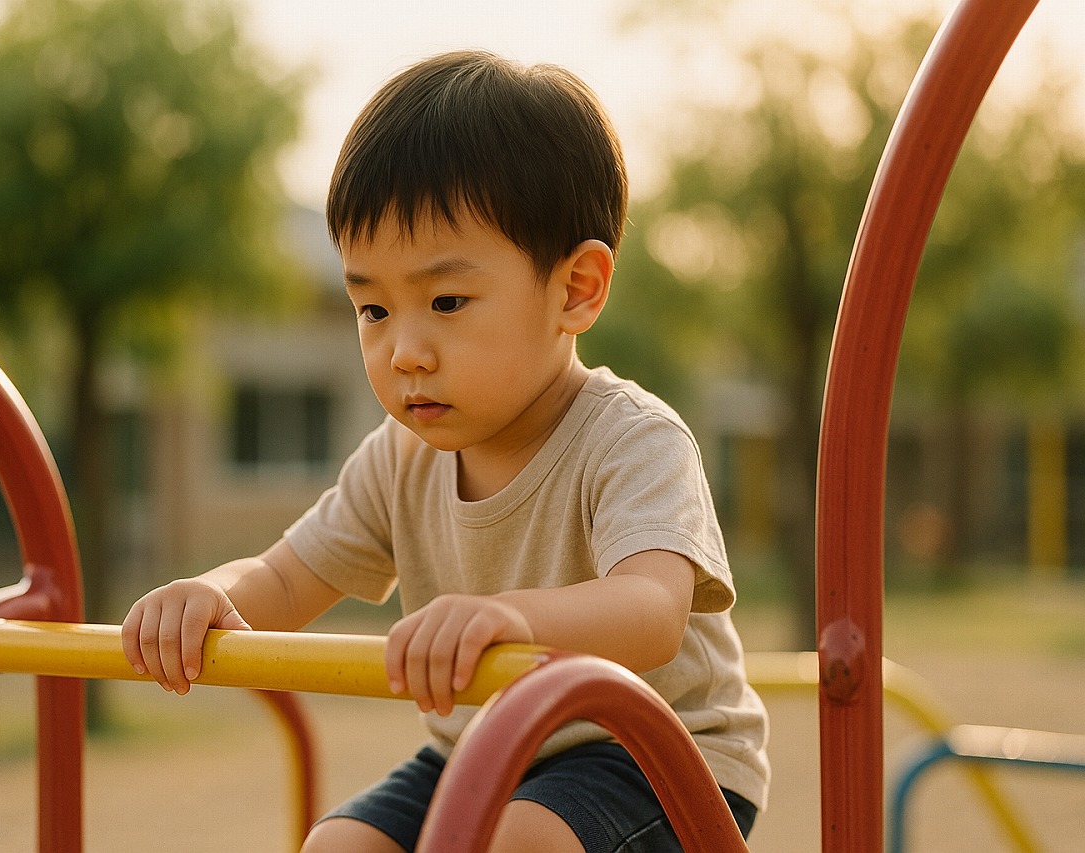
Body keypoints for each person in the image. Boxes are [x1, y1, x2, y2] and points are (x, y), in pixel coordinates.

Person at [122, 49, 769, 853]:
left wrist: (510, 619)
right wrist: (210, 595)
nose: (404, 351)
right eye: (372, 310)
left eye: (447, 300)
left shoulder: (631, 439)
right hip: (483, 748)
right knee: (337, 847)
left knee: (520, 839)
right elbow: (285, 578)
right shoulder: (400, 458)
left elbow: (651, 611)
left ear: (576, 288)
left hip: (652, 752)